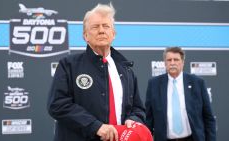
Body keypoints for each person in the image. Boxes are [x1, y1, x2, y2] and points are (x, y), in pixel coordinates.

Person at [47, 3, 147, 141]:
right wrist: (95, 126)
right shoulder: (69, 65)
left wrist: (134, 119)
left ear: (113, 34)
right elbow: (57, 105)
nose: (101, 31)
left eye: (106, 26)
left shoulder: (126, 69)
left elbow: (138, 108)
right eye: (95, 27)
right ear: (85, 36)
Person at [145, 47, 216, 141]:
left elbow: (208, 118)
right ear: (165, 63)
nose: (172, 63)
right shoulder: (154, 84)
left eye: (176, 59)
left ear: (182, 62)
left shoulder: (197, 83)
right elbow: (149, 119)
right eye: (169, 60)